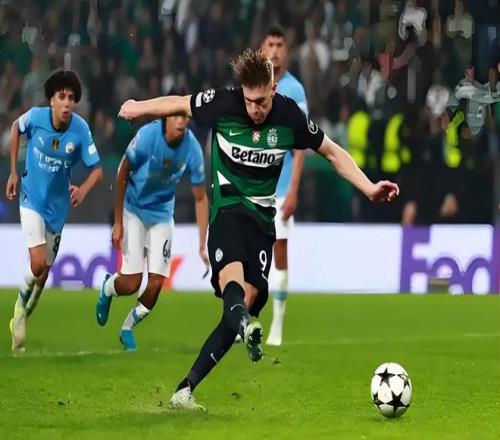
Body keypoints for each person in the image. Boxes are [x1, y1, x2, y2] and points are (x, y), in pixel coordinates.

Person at [118, 49, 399, 411]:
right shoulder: (223, 103)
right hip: (227, 210)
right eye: (250, 101)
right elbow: (178, 103)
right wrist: (138, 107)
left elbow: (331, 152)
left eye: (262, 101)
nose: (255, 109)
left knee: (246, 302)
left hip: (263, 220)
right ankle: (241, 328)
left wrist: (369, 187)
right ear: (242, 92)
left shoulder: (289, 116)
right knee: (232, 284)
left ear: (273, 89)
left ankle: (185, 390)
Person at [5, 69, 103, 352]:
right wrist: (13, 172)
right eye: (62, 96)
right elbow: (15, 127)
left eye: (71, 98)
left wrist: (82, 190)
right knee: (37, 264)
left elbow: (97, 170)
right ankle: (19, 310)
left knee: (43, 275)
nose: (67, 103)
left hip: (57, 209)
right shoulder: (36, 117)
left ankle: (24, 314)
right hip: (31, 198)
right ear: (51, 100)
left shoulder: (80, 130)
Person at [95, 112, 209, 352]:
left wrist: (202, 244)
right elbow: (123, 170)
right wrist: (118, 222)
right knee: (131, 284)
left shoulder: (192, 148)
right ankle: (108, 287)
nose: (181, 121)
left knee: (156, 284)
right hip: (134, 210)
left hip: (162, 216)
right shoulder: (148, 136)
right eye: (176, 116)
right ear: (166, 118)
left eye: (185, 116)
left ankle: (127, 328)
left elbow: (200, 197)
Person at [260, 25, 308, 346]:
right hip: (251, 185)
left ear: (286, 51)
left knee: (279, 249)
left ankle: (277, 324)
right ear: (262, 49)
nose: (275, 50)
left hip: (279, 188)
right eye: (271, 44)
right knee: (246, 253)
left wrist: (293, 190)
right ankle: (243, 320)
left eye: (280, 44)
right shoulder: (252, 84)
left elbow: (301, 144)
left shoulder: (295, 90)